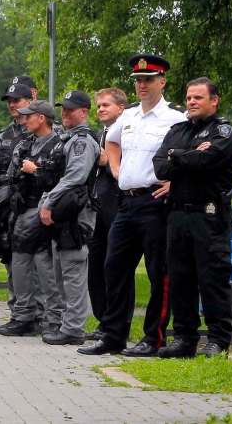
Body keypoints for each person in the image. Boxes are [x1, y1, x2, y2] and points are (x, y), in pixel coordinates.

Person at [79, 54, 185, 356]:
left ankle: (154, 338)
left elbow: (189, 156)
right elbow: (111, 142)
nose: (142, 85)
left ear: (161, 81)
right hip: (127, 201)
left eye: (148, 79)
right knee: (114, 268)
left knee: (157, 272)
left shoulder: (175, 119)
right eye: (138, 80)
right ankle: (114, 335)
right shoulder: (129, 116)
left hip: (155, 202)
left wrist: (175, 182)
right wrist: (116, 169)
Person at [153, 77, 232, 358]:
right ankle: (185, 338)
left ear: (214, 100)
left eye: (198, 98)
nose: (191, 102)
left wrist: (177, 157)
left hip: (209, 215)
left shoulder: (223, 130)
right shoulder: (178, 130)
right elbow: (160, 168)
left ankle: (218, 339)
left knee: (211, 278)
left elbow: (209, 160)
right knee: (181, 278)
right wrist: (185, 155)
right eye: (189, 98)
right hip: (178, 213)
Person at [0, 100, 64, 337]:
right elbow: (10, 175)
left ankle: (52, 318)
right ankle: (23, 315)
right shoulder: (25, 145)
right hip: (22, 208)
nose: (24, 120)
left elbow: (59, 180)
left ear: (42, 118)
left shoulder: (58, 144)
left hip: (45, 209)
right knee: (20, 262)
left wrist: (36, 170)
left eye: (29, 116)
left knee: (45, 266)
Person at [40, 91, 100, 345]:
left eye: (70, 110)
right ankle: (68, 324)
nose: (64, 114)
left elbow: (75, 176)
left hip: (76, 215)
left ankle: (74, 329)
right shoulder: (68, 138)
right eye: (63, 109)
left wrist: (48, 202)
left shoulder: (81, 141)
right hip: (65, 214)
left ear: (84, 112)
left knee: (73, 272)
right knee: (62, 271)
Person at [86, 88, 127, 340]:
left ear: (121, 108)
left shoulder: (126, 132)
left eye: (106, 105)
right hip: (98, 207)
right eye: (98, 105)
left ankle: (113, 320)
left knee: (114, 265)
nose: (100, 109)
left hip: (117, 204)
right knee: (96, 265)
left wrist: (107, 161)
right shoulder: (101, 133)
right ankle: (103, 320)